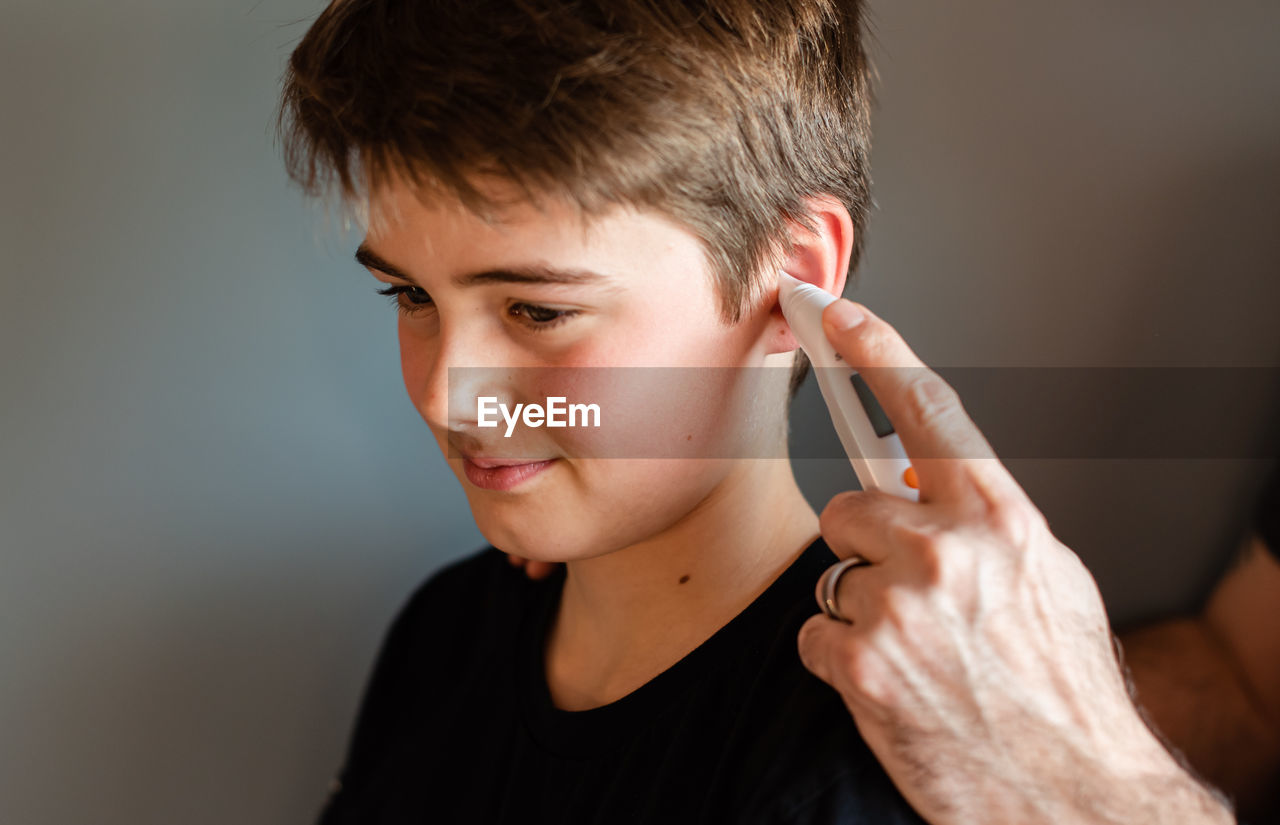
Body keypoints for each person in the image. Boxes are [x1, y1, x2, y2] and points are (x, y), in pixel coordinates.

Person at [278, 0, 932, 822]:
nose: (447, 396)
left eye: (537, 312)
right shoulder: (448, 634)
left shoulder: (842, 764)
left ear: (788, 277)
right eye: (411, 294)